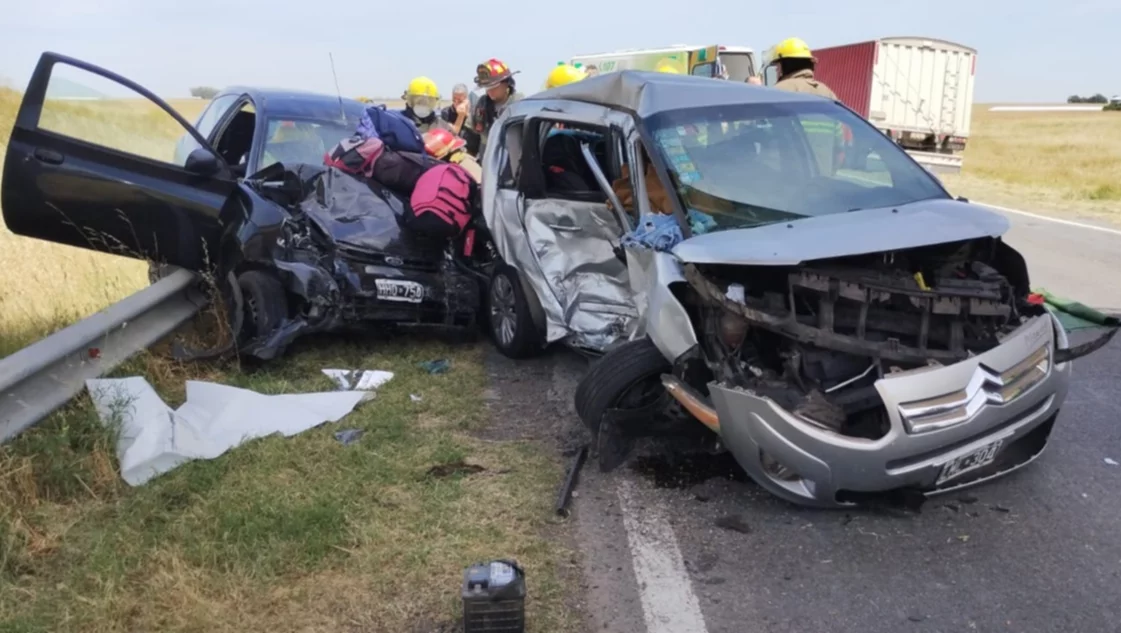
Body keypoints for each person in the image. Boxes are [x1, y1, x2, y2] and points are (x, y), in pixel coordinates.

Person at [468, 58, 523, 157]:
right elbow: (473, 135)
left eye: (494, 87)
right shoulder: (481, 104)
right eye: (487, 88)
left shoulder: (519, 103)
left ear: (507, 83)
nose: (490, 91)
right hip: (486, 160)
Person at [766, 37, 836, 99]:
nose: (776, 70)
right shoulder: (828, 93)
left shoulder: (778, 91)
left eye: (777, 66)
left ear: (786, 64)